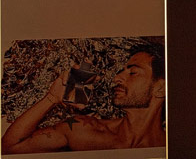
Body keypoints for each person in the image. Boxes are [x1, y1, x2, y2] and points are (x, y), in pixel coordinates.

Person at [1, 46, 166, 154]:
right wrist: (51, 98)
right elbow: (10, 148)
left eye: (133, 73)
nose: (117, 78)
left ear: (161, 89)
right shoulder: (84, 130)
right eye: (120, 72)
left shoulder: (170, 147)